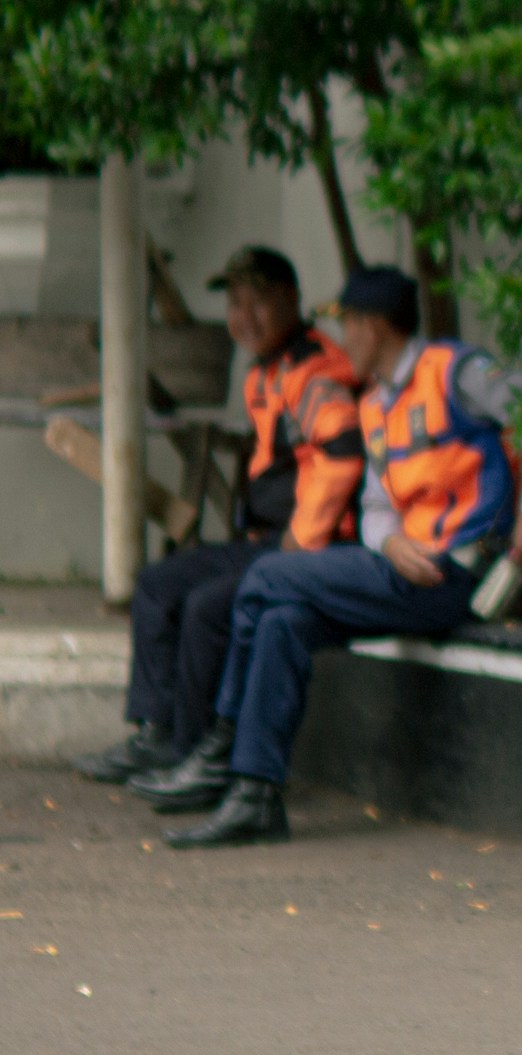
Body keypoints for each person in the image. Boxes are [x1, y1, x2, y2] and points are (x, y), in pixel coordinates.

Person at [146, 265, 522, 846]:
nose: (343, 342)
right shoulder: (375, 404)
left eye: (348, 327)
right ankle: (254, 795)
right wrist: (391, 542)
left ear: (374, 327)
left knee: (268, 575)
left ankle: (219, 743)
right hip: (407, 567)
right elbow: (375, 508)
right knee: (281, 623)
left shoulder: (454, 371)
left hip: (458, 571)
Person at [74, 246, 362, 791]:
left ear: (293, 301)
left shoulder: (316, 371)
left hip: (310, 547)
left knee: (207, 606)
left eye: (260, 301)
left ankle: (191, 757)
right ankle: (157, 735)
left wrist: (302, 540)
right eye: (235, 302)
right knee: (158, 586)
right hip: (266, 540)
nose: (243, 317)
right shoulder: (263, 373)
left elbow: (342, 452)